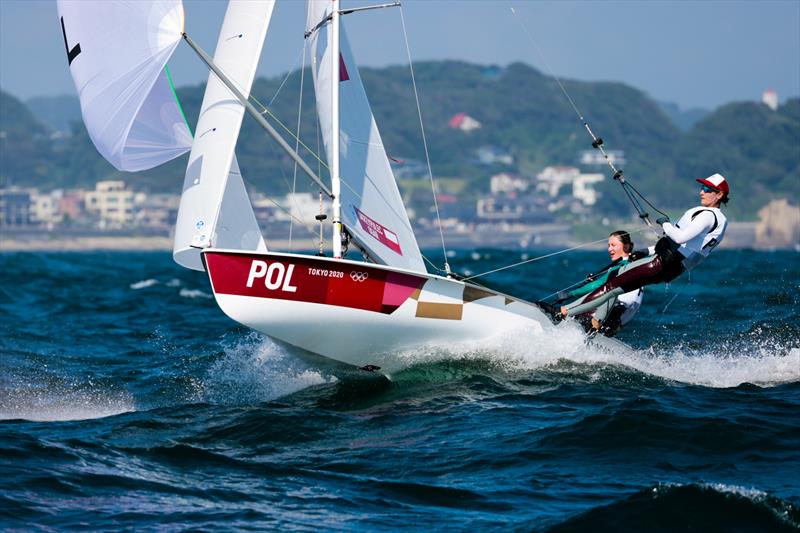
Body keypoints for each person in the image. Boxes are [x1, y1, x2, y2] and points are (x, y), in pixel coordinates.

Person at [561, 173, 730, 320]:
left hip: (663, 262)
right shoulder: (721, 221)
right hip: (672, 267)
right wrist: (647, 251)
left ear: (719, 194)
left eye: (707, 189)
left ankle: (564, 312)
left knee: (612, 284)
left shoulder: (708, 216)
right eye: (702, 187)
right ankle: (594, 322)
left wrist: (665, 224)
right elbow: (685, 246)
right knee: (616, 286)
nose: (701, 192)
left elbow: (679, 237)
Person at [540, 231, 644, 337]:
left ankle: (559, 314)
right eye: (608, 246)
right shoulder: (634, 266)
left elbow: (599, 285)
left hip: (609, 319)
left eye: (613, 245)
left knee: (604, 291)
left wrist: (569, 294)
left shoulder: (622, 266)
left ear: (626, 247)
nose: (609, 249)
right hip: (615, 325)